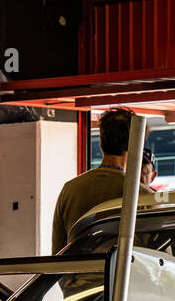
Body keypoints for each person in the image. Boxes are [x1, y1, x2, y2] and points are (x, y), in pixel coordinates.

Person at [50, 107, 154, 253]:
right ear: (137, 144)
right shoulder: (143, 196)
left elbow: (58, 253)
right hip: (124, 276)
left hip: (77, 275)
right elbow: (160, 260)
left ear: (101, 141)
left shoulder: (70, 190)